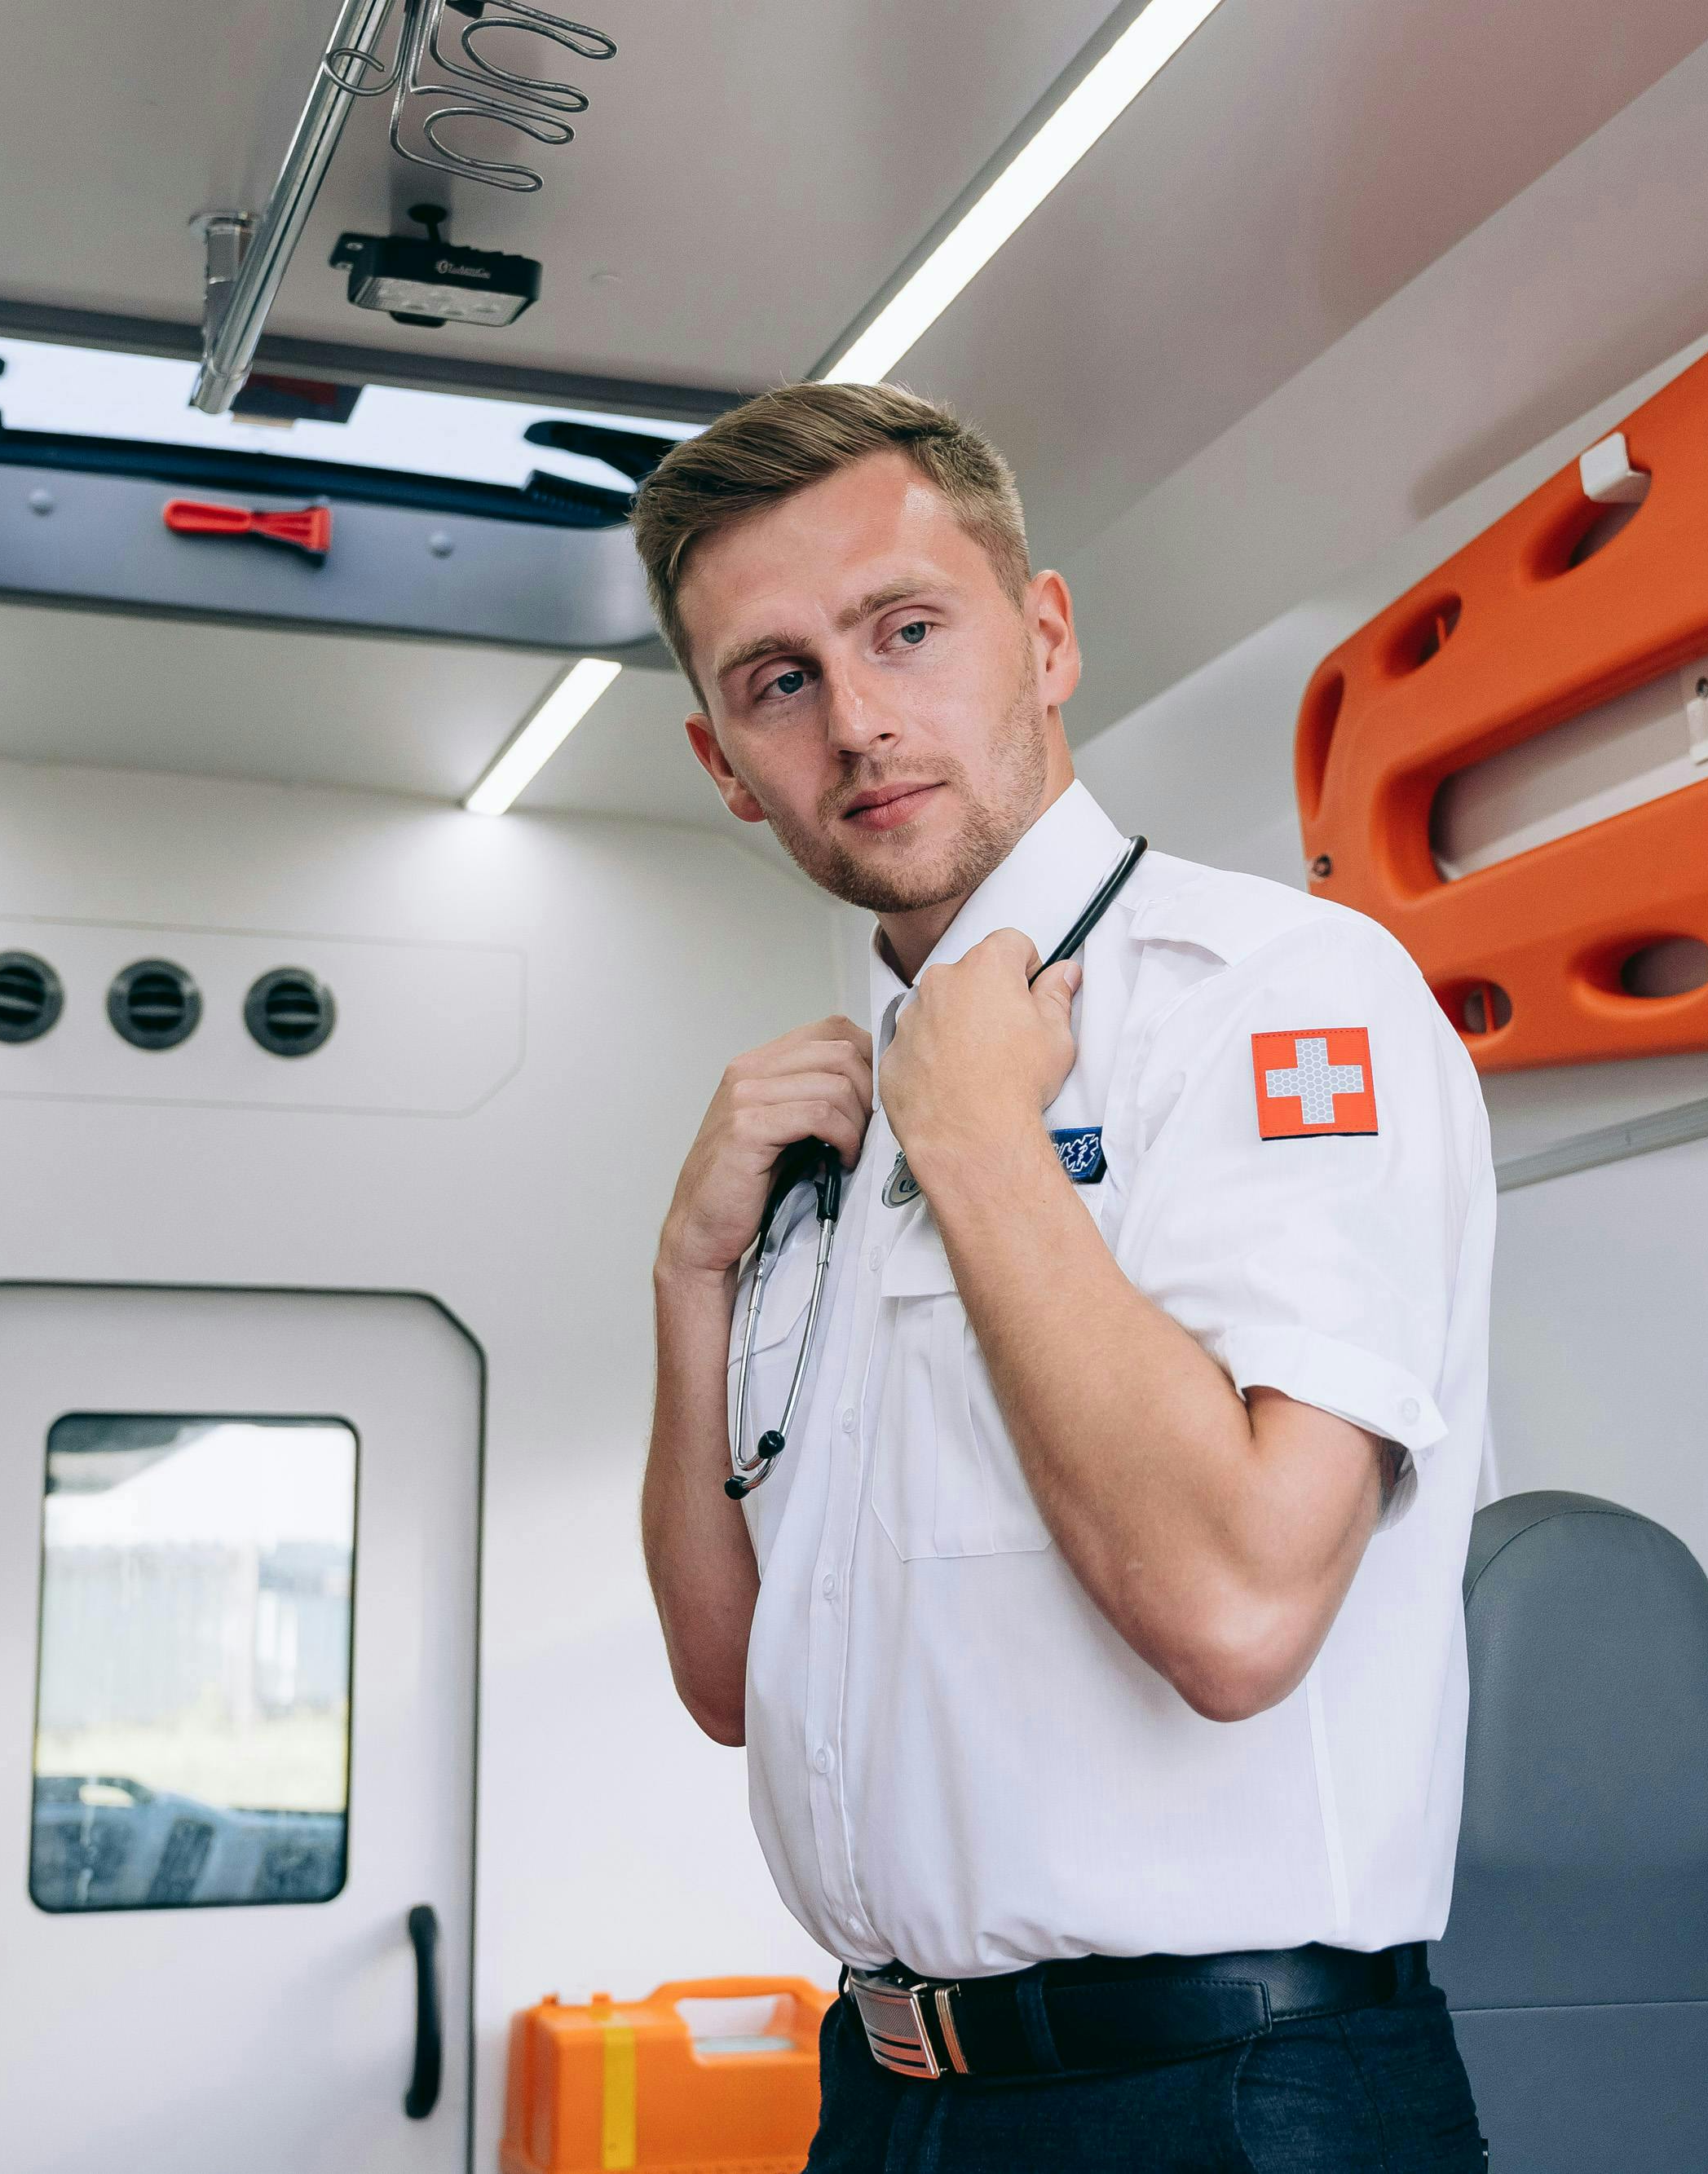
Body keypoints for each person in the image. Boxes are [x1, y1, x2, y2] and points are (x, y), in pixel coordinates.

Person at [633, 381, 1495, 2172]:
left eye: (907, 630)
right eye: (776, 680)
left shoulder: (1272, 994)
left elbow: (1238, 1607)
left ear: (1040, 637)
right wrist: (688, 1280)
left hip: (1220, 2098)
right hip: (887, 2099)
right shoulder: (827, 1127)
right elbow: (734, 1675)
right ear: (723, 763)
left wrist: (982, 1145)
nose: (857, 722)